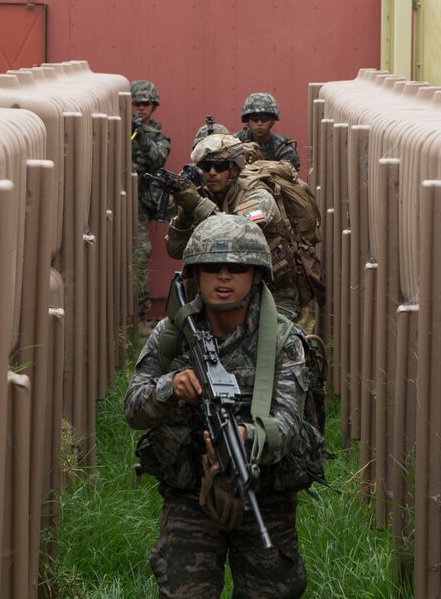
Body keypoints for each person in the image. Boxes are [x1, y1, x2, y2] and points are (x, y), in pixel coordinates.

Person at [125, 215, 309, 598]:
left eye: (237, 267)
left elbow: (288, 425)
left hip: (264, 495)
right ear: (195, 273)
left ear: (256, 274)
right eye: (212, 267)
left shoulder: (282, 341)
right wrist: (170, 388)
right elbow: (132, 409)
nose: (223, 277)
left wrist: (246, 437)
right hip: (190, 493)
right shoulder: (173, 333)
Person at [165, 134, 301, 319]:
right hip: (217, 294)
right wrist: (184, 216)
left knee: (273, 341)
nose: (212, 172)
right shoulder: (201, 197)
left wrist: (197, 206)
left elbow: (235, 233)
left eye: (220, 167)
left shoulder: (258, 196)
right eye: (206, 167)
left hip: (270, 294)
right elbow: (174, 251)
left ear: (235, 170)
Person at [132, 79, 172, 324]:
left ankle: (140, 312)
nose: (141, 108)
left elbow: (158, 160)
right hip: (113, 197)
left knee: (139, 253)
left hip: (138, 203)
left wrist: (140, 137)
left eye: (146, 104)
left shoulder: (157, 134)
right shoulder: (118, 125)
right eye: (136, 102)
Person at [235, 93, 300, 170]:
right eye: (254, 118)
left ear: (273, 120)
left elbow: (289, 174)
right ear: (247, 120)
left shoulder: (281, 149)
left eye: (265, 118)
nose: (259, 123)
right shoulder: (235, 142)